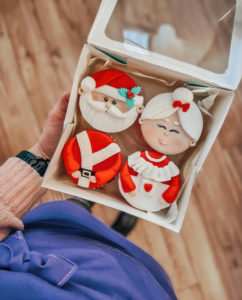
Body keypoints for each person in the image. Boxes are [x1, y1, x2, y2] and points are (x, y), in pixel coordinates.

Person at [0, 93, 178, 300]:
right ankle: (105, 221)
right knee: (83, 219)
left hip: (46, 241)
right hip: (129, 285)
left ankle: (85, 198)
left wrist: (43, 154)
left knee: (71, 212)